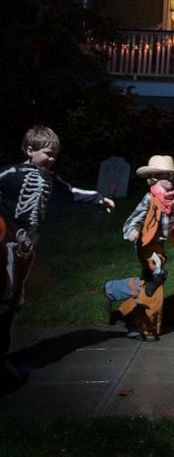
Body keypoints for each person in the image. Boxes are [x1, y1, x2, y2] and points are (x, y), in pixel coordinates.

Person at [0, 126, 115, 383]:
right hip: (5, 240)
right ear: (30, 150)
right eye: (48, 154)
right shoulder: (12, 172)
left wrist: (100, 198)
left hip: (27, 246)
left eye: (55, 155)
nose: (52, 159)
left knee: (15, 300)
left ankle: (3, 356)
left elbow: (72, 192)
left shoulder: (51, 179)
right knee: (6, 295)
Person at [103, 154, 174, 341]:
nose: (171, 178)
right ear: (154, 178)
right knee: (156, 279)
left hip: (159, 245)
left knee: (148, 282)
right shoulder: (149, 198)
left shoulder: (172, 198)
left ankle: (116, 294)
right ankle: (143, 326)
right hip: (146, 244)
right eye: (166, 175)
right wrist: (133, 230)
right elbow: (136, 217)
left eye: (172, 175)